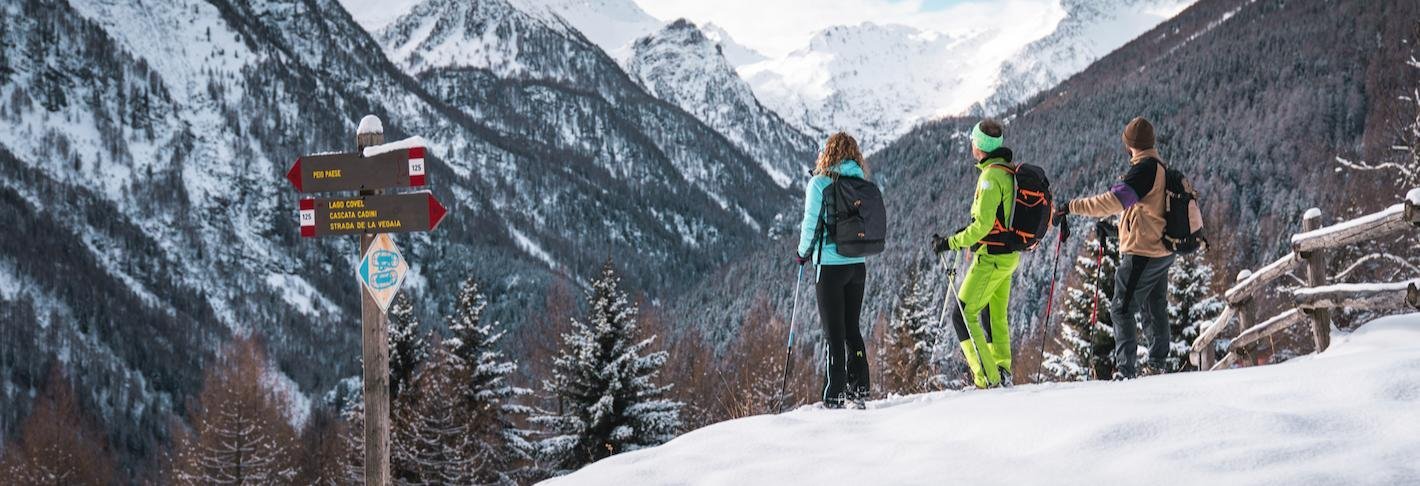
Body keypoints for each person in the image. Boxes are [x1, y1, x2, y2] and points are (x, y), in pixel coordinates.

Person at [1054, 117, 1175, 380]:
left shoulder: (1143, 170)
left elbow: (1112, 202)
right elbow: (1148, 215)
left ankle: (1126, 371)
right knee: (1155, 307)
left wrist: (1071, 206)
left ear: (1130, 145)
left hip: (1144, 253)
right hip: (1161, 251)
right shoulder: (1159, 168)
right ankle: (1157, 363)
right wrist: (1114, 231)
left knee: (1121, 309)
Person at [930, 119, 1021, 389]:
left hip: (992, 257)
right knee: (994, 314)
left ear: (979, 146)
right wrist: (968, 231)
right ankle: (1001, 369)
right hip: (1008, 256)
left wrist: (950, 242)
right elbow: (994, 219)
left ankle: (987, 378)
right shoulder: (1006, 171)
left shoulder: (990, 177)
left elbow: (982, 227)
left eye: (973, 140)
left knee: (962, 314)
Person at [797, 132, 872, 408]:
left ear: (827, 153)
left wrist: (802, 253)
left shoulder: (819, 183)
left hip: (829, 268)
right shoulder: (861, 183)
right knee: (852, 329)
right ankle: (860, 388)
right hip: (857, 266)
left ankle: (834, 394)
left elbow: (810, 225)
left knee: (834, 333)